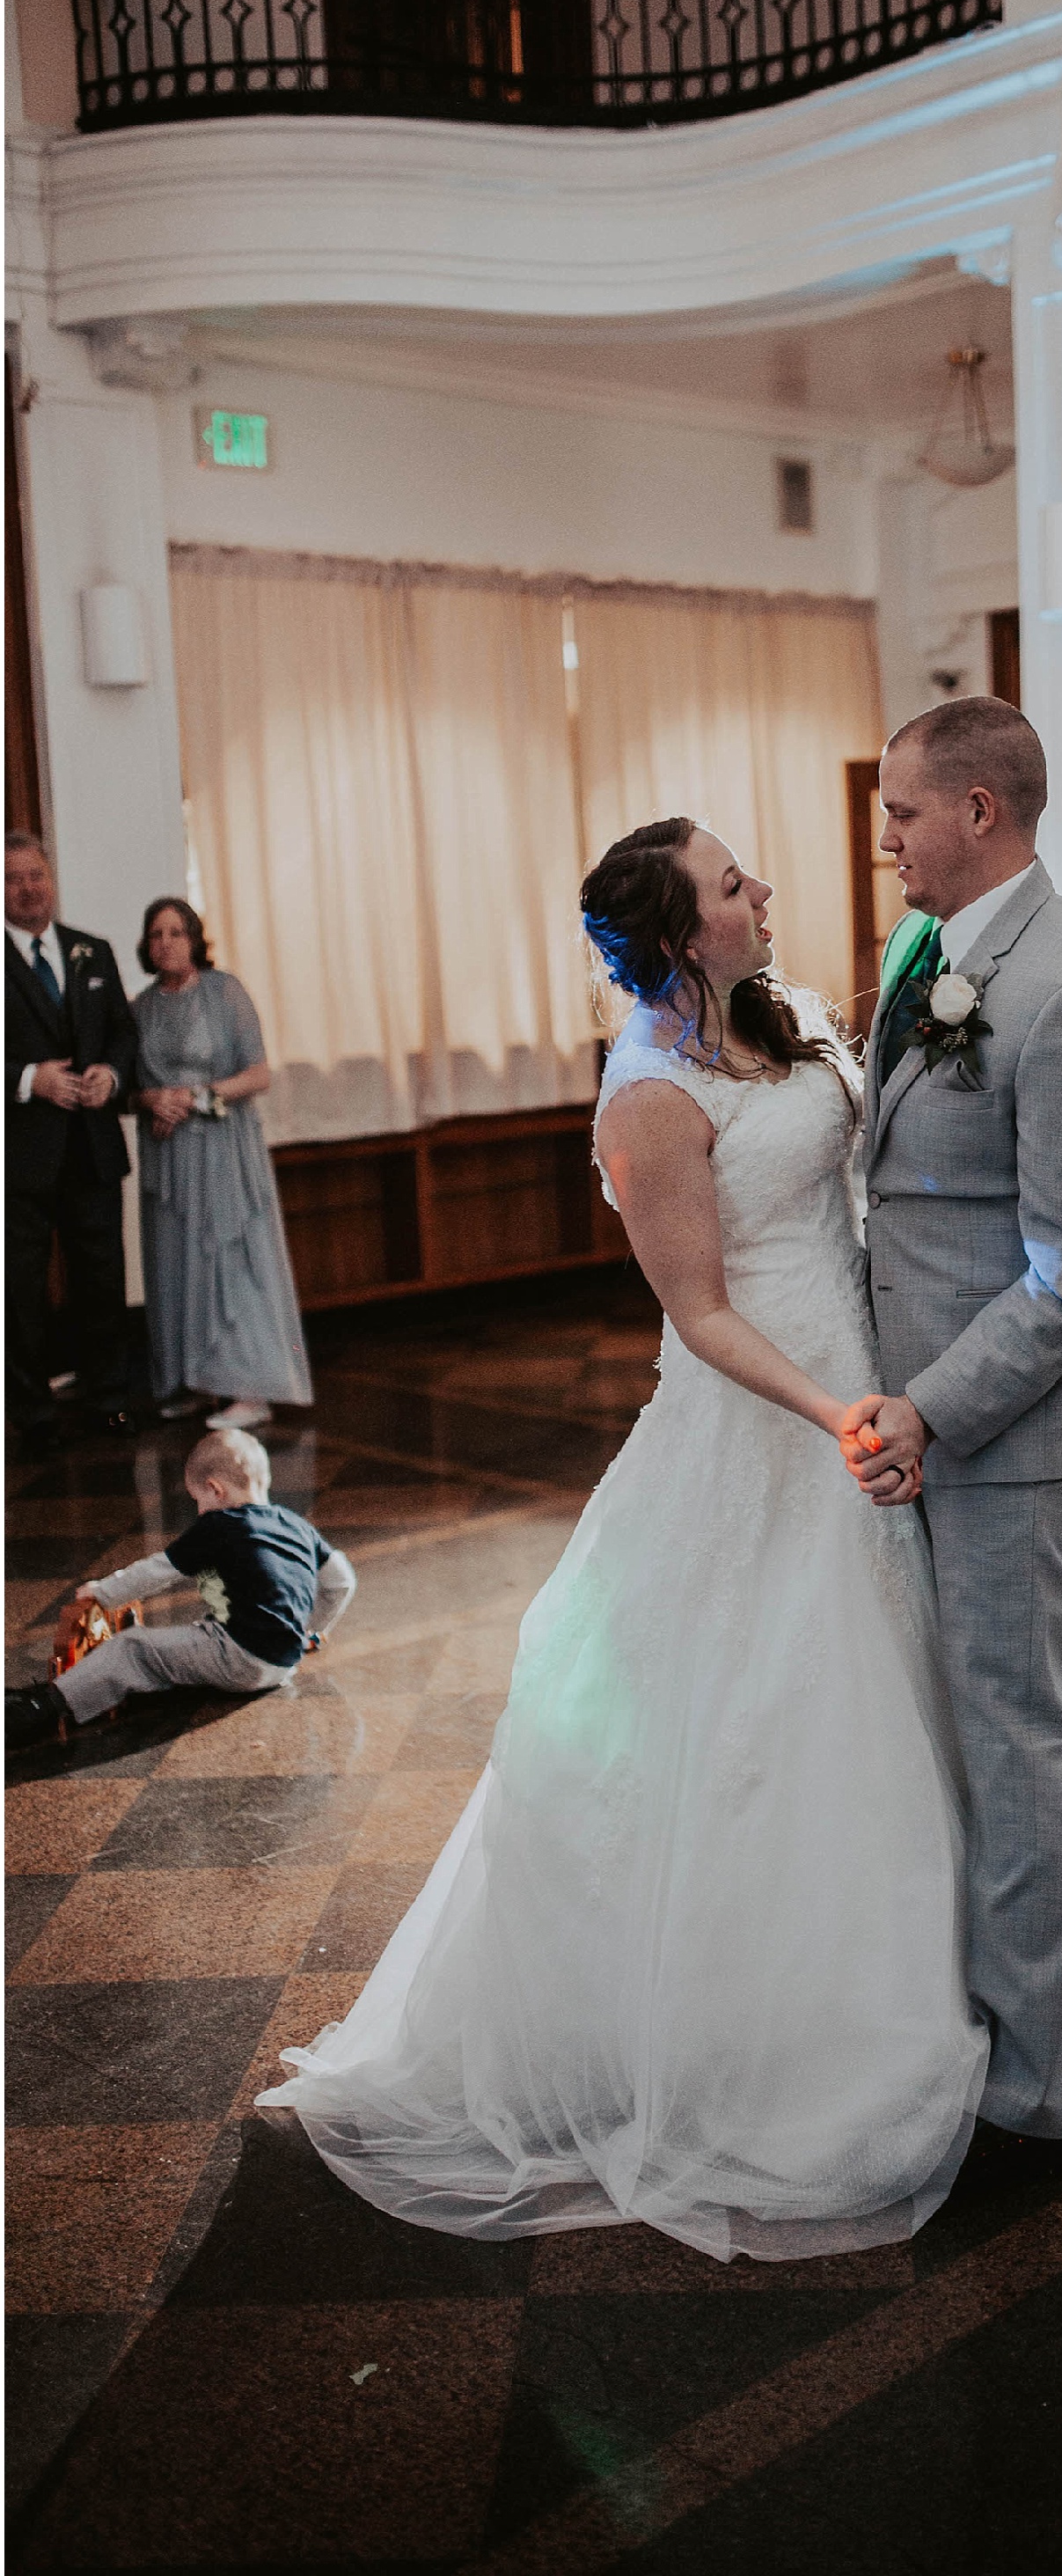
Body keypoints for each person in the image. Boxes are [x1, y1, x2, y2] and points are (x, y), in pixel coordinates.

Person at [259, 817, 987, 2259]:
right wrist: (836, 1411)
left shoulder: (774, 1013)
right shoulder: (648, 1096)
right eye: (732, 886)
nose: (763, 889)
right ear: (673, 941)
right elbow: (702, 1313)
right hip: (766, 1412)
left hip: (861, 1360)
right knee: (756, 1712)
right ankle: (739, 2023)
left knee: (874, 1689)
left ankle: (890, 1973)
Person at [842, 696, 1062, 2173]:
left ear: (982, 810)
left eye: (904, 810)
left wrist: (930, 1404)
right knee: (1004, 1743)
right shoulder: (937, 955)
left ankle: (1037, 2090)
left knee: (1021, 1745)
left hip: (1010, 1437)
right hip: (932, 1419)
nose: (884, 835)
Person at [5, 1427, 355, 1750]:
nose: (200, 1510)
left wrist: (103, 1592)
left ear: (216, 1489)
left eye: (197, 1499)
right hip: (283, 1662)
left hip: (240, 1659)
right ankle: (131, 1683)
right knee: (180, 1646)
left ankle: (41, 1707)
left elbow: (157, 1571)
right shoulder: (297, 1526)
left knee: (132, 1646)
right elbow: (341, 1583)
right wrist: (311, 1630)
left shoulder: (221, 1524)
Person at [133, 897, 311, 1428]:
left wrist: (196, 1098)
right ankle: (195, 1378)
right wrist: (151, 1101)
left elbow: (258, 1074)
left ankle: (248, 1386)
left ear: (194, 939)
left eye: (176, 932)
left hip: (222, 1147)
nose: (166, 942)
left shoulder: (224, 992)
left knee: (225, 1257)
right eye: (156, 934)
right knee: (176, 1264)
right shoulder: (139, 1007)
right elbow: (132, 1084)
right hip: (168, 1155)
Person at [4, 832, 138, 1455]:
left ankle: (109, 1400)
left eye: (36, 875)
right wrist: (32, 1079)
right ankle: (32, 1414)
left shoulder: (94, 951)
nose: (28, 888)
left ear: (50, 880)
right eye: (13, 879)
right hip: (19, 1160)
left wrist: (110, 1073)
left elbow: (122, 1034)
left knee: (103, 1280)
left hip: (91, 1148)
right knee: (21, 1293)